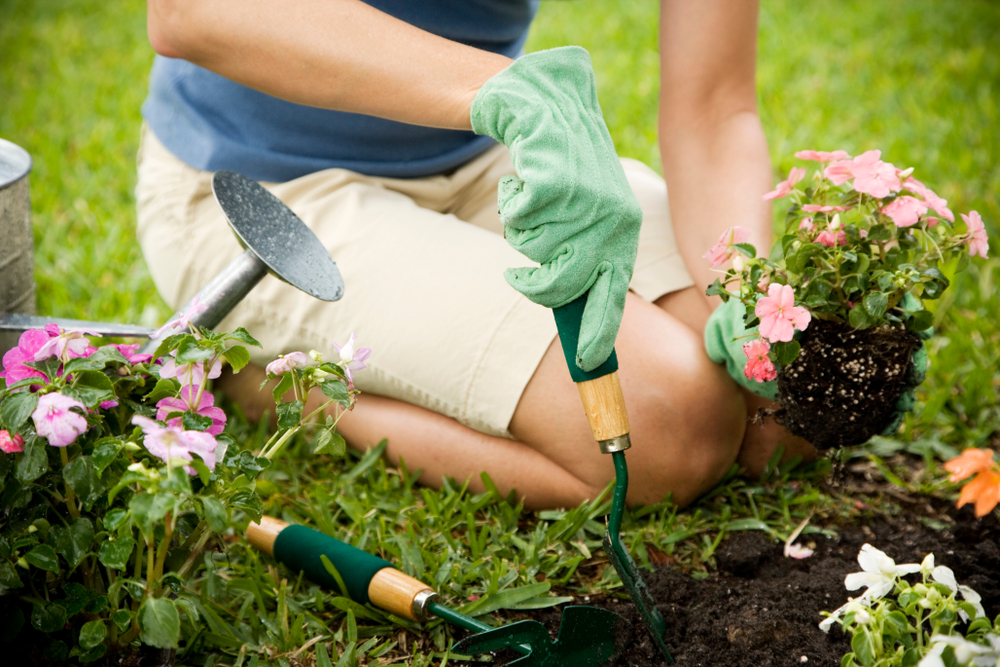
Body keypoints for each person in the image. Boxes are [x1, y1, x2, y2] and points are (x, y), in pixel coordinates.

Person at [138, 0, 816, 511]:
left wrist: (744, 292)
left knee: (784, 414)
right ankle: (283, 387)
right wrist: (508, 92)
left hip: (477, 152)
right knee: (671, 431)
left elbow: (713, 106)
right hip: (267, 195)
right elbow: (191, 11)